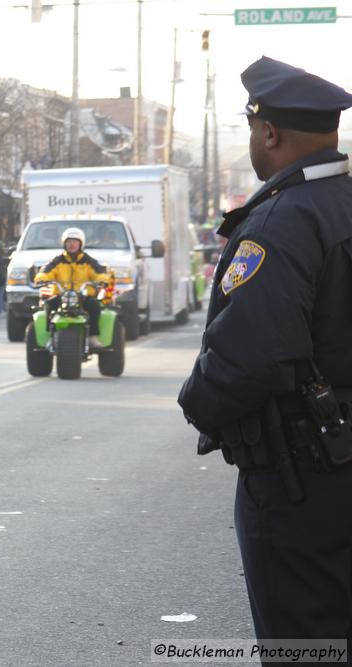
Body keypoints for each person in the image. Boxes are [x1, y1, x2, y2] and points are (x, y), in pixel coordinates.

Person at [179, 57, 352, 645]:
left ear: (269, 132)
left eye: (252, 127)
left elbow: (249, 357)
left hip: (305, 476)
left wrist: (195, 401)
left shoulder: (281, 221)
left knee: (305, 639)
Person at [33, 227, 111, 346]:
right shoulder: (57, 261)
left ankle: (92, 336)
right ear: (64, 244)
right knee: (49, 304)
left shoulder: (89, 261)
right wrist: (41, 279)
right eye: (68, 241)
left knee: (95, 306)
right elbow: (46, 271)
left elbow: (100, 272)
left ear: (81, 244)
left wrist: (102, 281)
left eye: (75, 241)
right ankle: (51, 336)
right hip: (61, 295)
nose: (72, 244)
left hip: (83, 296)